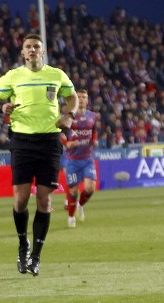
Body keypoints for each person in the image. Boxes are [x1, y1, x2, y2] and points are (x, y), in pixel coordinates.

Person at [0, 33, 77, 277]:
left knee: (45, 200)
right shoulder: (12, 76)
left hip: (49, 140)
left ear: (43, 51)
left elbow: (73, 97)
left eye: (36, 46)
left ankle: (36, 256)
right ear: (23, 52)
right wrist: (1, 107)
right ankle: (23, 245)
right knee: (20, 199)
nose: (32, 50)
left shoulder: (56, 74)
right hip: (22, 140)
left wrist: (69, 115)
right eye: (28, 46)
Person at [59, 89, 98, 228]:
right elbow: (61, 134)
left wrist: (94, 140)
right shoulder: (69, 117)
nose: (81, 99)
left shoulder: (93, 116)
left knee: (90, 188)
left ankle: (80, 205)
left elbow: (94, 132)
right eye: (79, 97)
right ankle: (71, 217)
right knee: (74, 190)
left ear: (87, 100)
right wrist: (67, 143)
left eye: (84, 97)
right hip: (72, 160)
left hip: (88, 158)